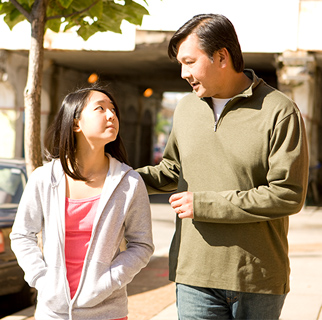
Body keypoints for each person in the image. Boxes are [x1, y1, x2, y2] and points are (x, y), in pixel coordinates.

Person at [136, 13, 309, 320]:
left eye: (189, 62)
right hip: (193, 274)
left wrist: (204, 204)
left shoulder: (279, 110)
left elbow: (288, 194)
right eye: (180, 64)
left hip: (256, 277)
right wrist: (116, 178)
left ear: (221, 56)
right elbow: (173, 171)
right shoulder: (186, 108)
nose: (183, 73)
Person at [10, 87, 154, 320]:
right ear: (76, 123)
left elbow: (142, 244)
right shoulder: (44, 178)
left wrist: (110, 280)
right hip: (52, 312)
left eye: (113, 110)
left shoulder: (129, 182)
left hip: (108, 312)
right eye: (101, 108)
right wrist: (42, 280)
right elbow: (21, 235)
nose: (111, 115)